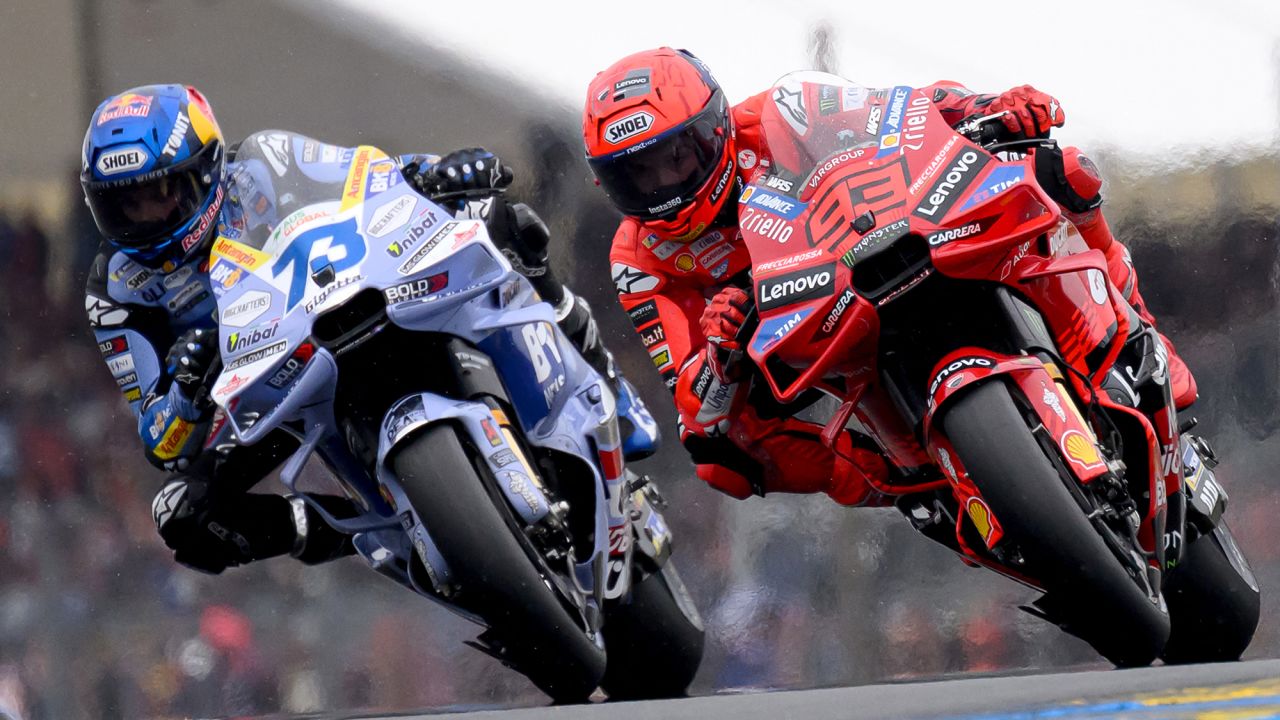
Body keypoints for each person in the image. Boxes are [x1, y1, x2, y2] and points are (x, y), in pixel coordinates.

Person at [82, 84, 657, 574]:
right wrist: (186, 392)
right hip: (263, 389)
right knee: (182, 514)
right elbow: (162, 442)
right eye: (125, 205)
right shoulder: (114, 290)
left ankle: (609, 389)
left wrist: (436, 173)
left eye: (159, 194)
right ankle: (353, 533)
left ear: (206, 169)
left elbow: (367, 174)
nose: (146, 216)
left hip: (345, 303)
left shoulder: (263, 165)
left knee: (504, 220)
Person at [581, 47, 1197, 504]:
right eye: (637, 176)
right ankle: (903, 483)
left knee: (1063, 169)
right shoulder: (637, 259)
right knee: (721, 460)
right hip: (800, 340)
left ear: (714, 126)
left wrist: (987, 108)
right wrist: (720, 354)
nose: (663, 185)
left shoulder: (778, 114)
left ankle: (1133, 334)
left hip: (882, 243)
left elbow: (903, 111)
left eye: (675, 156)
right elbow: (696, 410)